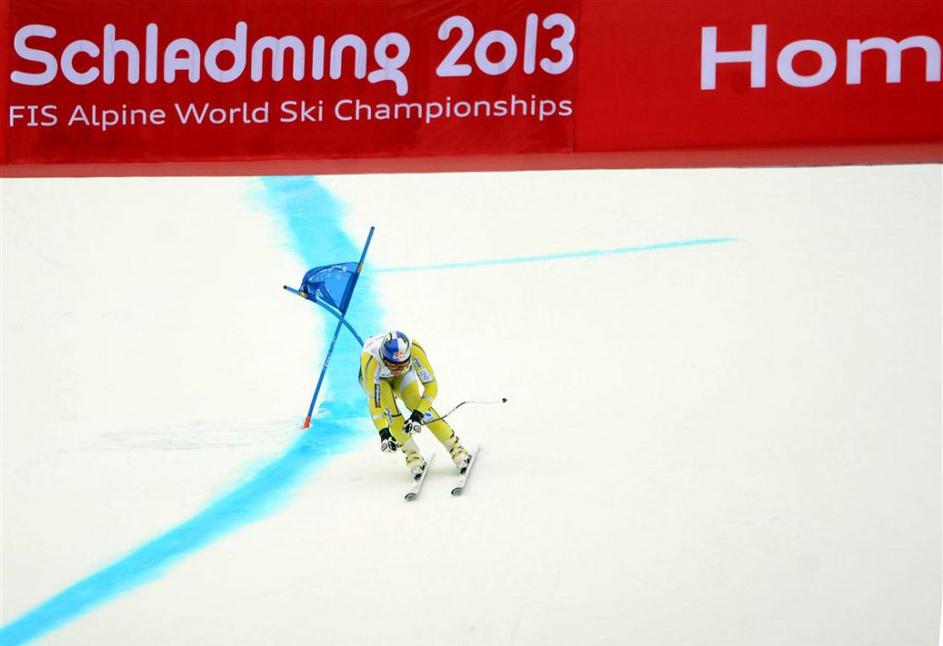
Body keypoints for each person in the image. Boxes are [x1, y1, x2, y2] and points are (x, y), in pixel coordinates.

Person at [359, 330, 470, 480]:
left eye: (402, 365)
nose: (397, 370)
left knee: (415, 403)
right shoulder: (371, 361)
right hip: (379, 380)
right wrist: (383, 433)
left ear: (409, 356)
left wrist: (417, 415)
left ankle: (455, 447)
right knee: (391, 414)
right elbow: (375, 403)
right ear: (384, 359)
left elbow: (431, 387)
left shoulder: (415, 350)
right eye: (393, 366)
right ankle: (412, 455)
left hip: (405, 377)